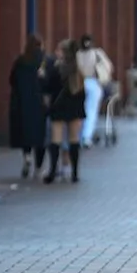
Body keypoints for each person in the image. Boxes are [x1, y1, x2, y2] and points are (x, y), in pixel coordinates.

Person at [42, 39, 87, 184]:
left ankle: (53, 171)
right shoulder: (78, 70)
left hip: (59, 107)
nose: (57, 53)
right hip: (75, 107)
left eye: (59, 50)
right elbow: (83, 93)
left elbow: (48, 88)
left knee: (56, 140)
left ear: (64, 53)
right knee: (74, 140)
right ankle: (74, 173)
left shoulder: (56, 69)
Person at [8, 34, 49, 178]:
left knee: (25, 133)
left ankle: (27, 157)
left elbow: (12, 80)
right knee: (40, 137)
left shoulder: (20, 61)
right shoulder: (43, 61)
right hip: (39, 104)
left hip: (21, 103)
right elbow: (47, 82)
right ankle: (38, 168)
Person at [76, 35, 113, 148]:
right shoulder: (97, 53)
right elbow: (109, 67)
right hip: (93, 83)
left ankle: (77, 136)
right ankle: (86, 137)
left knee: (78, 110)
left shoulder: (76, 55)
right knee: (91, 111)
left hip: (79, 83)